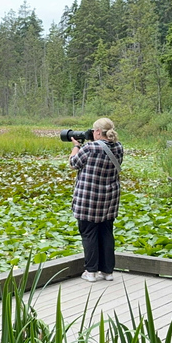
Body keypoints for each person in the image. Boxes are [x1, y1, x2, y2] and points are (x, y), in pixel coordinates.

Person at [68, 117, 123, 282]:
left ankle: (91, 272)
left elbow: (73, 163)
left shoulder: (90, 148)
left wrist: (76, 147)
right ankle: (107, 272)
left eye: (93, 130)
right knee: (106, 232)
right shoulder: (119, 147)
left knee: (89, 233)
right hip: (109, 199)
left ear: (98, 132)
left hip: (90, 200)